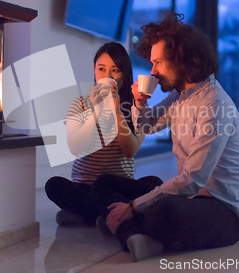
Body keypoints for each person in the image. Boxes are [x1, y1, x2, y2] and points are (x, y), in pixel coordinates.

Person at [91, 14, 239, 262]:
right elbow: (146, 125)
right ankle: (138, 235)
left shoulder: (214, 104)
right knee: (104, 184)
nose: (153, 71)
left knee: (160, 211)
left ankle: (127, 226)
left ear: (184, 61)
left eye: (158, 62)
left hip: (224, 211)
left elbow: (193, 179)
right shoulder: (181, 96)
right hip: (189, 198)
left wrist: (134, 206)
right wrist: (139, 102)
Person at [45, 42, 162, 226]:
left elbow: (130, 151)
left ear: (124, 74)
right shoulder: (81, 104)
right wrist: (96, 111)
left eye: (115, 70)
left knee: (155, 183)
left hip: (117, 186)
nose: (107, 76)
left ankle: (86, 216)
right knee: (53, 185)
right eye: (101, 69)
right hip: (85, 187)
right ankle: (112, 213)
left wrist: (116, 111)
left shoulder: (137, 108)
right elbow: (75, 148)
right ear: (94, 70)